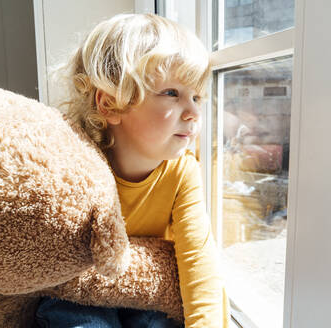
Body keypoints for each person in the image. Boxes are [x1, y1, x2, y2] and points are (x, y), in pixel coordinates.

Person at [35, 13, 229, 328]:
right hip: (77, 294)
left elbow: (199, 261)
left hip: (145, 300)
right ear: (110, 104)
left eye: (197, 96)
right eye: (172, 93)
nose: (194, 112)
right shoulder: (75, 161)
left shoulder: (182, 172)